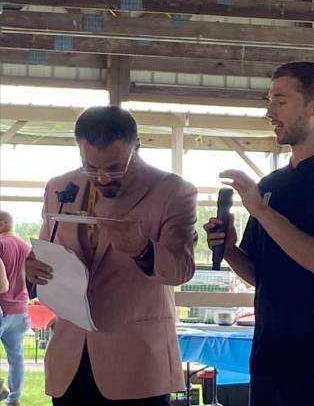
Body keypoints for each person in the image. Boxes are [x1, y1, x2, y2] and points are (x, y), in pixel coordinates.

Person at [204, 62, 314, 406]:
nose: (269, 112)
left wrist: (262, 211)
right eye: (269, 101)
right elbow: (261, 276)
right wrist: (231, 249)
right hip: (268, 358)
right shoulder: (271, 185)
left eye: (280, 100)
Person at [25, 106, 197, 405]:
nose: (102, 178)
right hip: (70, 360)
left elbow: (182, 270)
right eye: (90, 167)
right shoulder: (58, 187)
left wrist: (143, 250)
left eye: (115, 167)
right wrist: (33, 269)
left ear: (137, 147)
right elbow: (46, 247)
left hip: (138, 364)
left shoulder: (174, 192)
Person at [0, 210, 31, 406]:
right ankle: (14, 399)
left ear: (1, 224)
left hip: (2, 308)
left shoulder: (1, 244)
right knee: (16, 358)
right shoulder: (27, 247)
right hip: (21, 309)